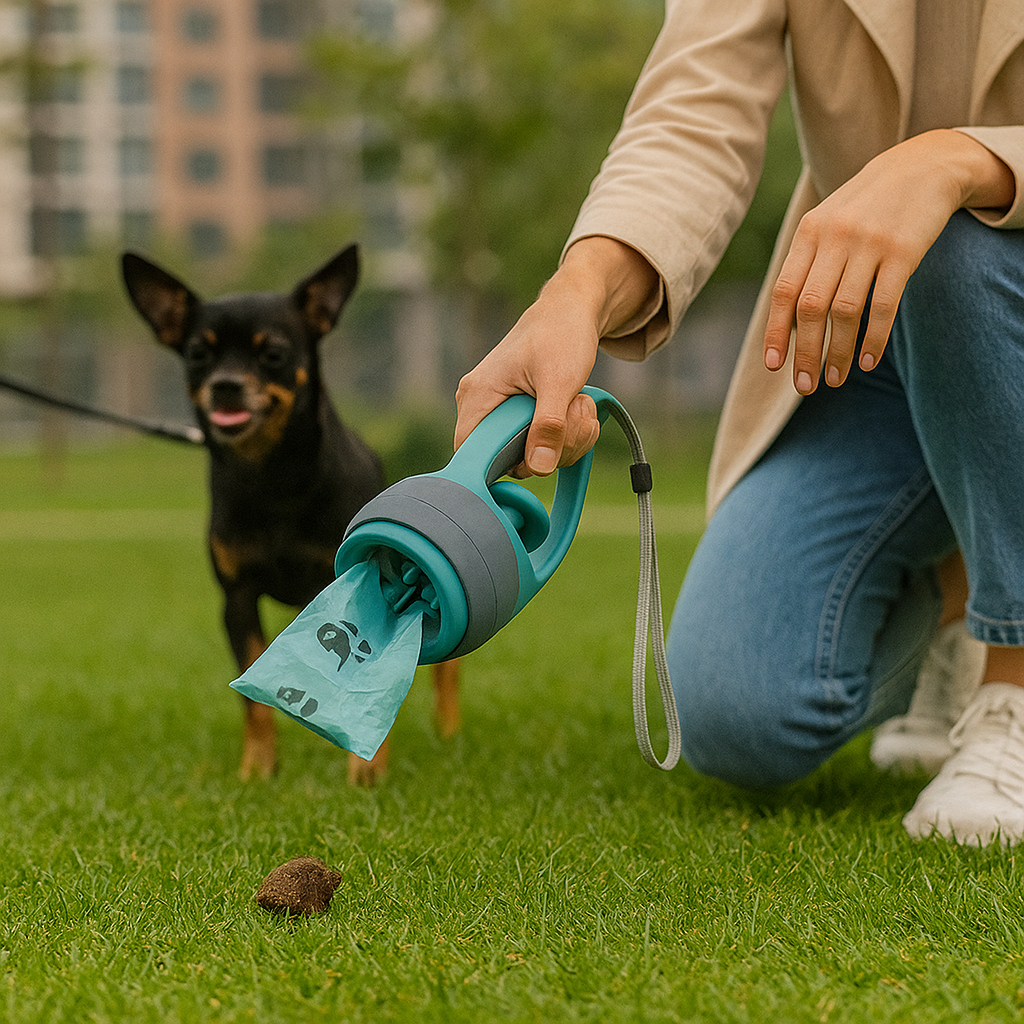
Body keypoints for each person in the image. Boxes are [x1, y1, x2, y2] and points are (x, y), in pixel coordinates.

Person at [453, 1, 1024, 846]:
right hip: (868, 331)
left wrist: (961, 158)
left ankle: (1011, 683)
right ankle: (964, 594)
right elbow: (694, 111)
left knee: (957, 237)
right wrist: (577, 291)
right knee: (741, 712)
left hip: (999, 293)